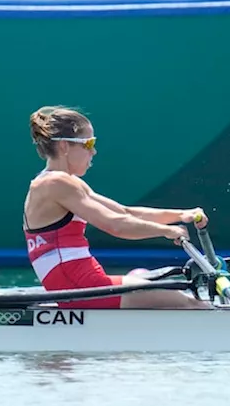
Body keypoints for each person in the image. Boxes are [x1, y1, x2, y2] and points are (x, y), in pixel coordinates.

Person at [23, 105, 210, 309]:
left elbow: (124, 212)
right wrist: (165, 231)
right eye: (88, 144)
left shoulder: (63, 182)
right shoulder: (56, 183)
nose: (93, 151)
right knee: (191, 304)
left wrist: (182, 215)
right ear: (64, 147)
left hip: (81, 283)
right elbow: (115, 225)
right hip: (80, 288)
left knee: (150, 282)